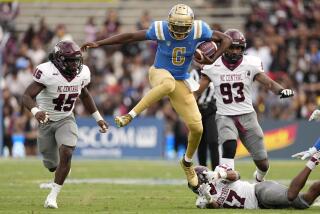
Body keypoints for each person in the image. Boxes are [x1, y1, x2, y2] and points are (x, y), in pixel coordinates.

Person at [81, 4, 232, 188]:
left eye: (182, 27)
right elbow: (130, 37)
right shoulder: (160, 29)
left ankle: (187, 163)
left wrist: (213, 58)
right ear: (169, 23)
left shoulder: (200, 29)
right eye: (175, 26)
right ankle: (130, 115)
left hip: (181, 79)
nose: (178, 31)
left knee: (197, 127)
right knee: (167, 84)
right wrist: (100, 42)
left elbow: (226, 39)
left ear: (190, 25)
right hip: (159, 72)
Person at [195, 29, 294, 182]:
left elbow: (267, 82)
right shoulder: (212, 65)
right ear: (224, 46)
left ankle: (259, 178)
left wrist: (281, 90)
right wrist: (186, 101)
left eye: (238, 48)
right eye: (231, 47)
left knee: (263, 163)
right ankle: (225, 187)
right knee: (229, 146)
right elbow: (198, 91)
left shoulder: (250, 63)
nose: (235, 51)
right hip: (224, 115)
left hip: (247, 115)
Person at [22, 40, 108, 209]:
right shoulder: (47, 72)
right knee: (51, 165)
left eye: (76, 60)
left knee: (67, 151)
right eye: (70, 60)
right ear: (59, 59)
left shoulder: (82, 73)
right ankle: (61, 170)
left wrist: (98, 117)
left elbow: (84, 95)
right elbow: (26, 96)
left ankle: (52, 196)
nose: (75, 64)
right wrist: (36, 111)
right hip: (46, 120)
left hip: (66, 118)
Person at [191, 152, 320, 209]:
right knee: (304, 202)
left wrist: (220, 175)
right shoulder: (202, 199)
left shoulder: (218, 172)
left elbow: (236, 175)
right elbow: (216, 206)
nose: (196, 186)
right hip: (262, 205)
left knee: (292, 196)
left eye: (196, 182)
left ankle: (313, 160)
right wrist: (208, 198)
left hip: (259, 191)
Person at [190, 63, 219, 170]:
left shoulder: (215, 71)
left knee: (213, 141)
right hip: (197, 110)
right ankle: (203, 171)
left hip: (212, 109)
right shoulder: (194, 74)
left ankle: (216, 171)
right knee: (201, 142)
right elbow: (191, 93)